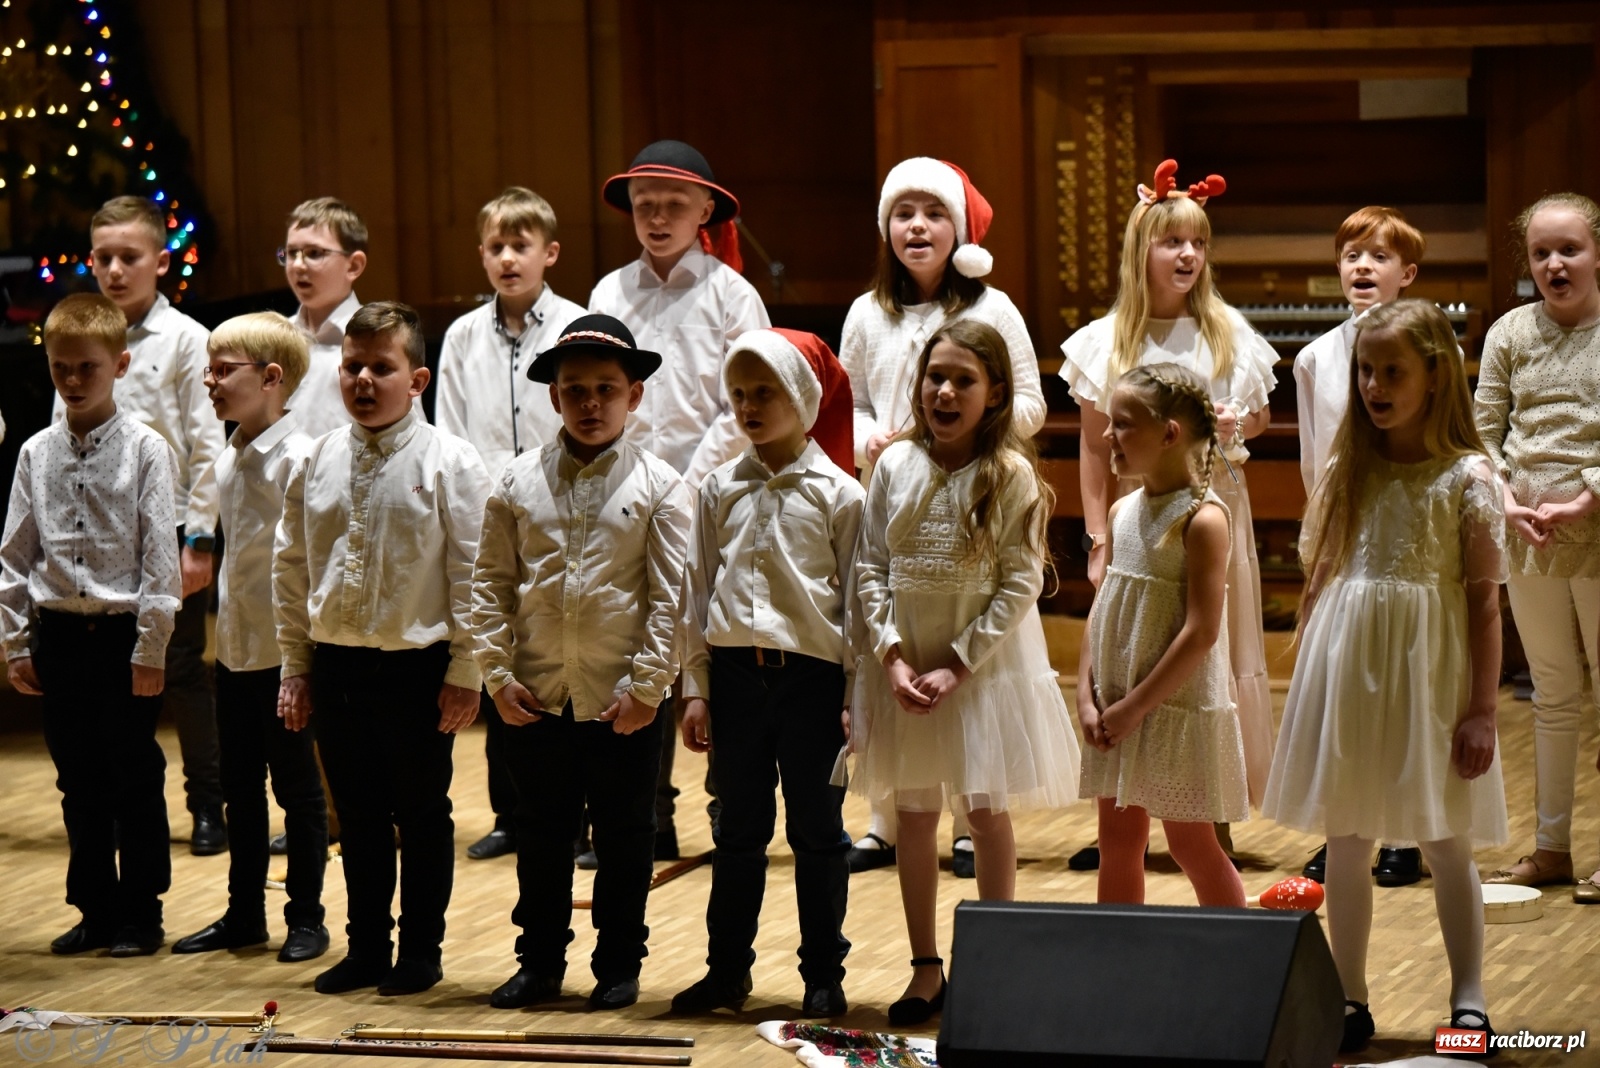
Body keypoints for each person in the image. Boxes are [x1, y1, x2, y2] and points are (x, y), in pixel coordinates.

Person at [1264, 299, 1508, 1053]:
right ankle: (1349, 997)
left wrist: (1480, 711)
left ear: (1435, 377)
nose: (1373, 383)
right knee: (1348, 835)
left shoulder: (1467, 476)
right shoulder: (1352, 465)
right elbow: (1325, 568)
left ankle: (1468, 999)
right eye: (1366, 369)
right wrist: (1310, 662)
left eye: (1392, 370)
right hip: (1351, 664)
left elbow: (1483, 606)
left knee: (1443, 836)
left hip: (1428, 671)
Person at [852, 319, 1079, 1026]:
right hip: (907, 663)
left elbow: (1018, 584)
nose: (945, 391)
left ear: (996, 394)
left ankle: (994, 960)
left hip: (978, 669)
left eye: (964, 380)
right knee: (914, 816)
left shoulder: (1010, 476)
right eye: (935, 377)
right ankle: (927, 968)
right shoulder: (893, 465)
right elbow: (870, 568)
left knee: (983, 813)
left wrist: (957, 664)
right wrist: (891, 657)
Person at [1059, 160, 1276, 866]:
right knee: (1132, 646)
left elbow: (1262, 419)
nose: (1187, 256)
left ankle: (1210, 813)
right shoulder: (1108, 339)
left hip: (1211, 510)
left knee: (1212, 647)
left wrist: (1233, 423)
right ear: (1141, 249)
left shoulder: (1225, 331)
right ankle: (1125, 804)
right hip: (1134, 515)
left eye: (1199, 244)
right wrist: (1096, 535)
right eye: (1172, 242)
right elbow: (1097, 450)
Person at [472, 314, 691, 1011]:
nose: (591, 404)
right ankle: (538, 964)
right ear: (553, 398)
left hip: (622, 700)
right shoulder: (514, 482)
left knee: (627, 840)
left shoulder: (659, 485)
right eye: (575, 391)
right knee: (540, 838)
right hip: (536, 696)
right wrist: (496, 678)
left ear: (636, 396)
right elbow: (488, 586)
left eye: (606, 389)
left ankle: (618, 965)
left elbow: (670, 598)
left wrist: (649, 688)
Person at [273, 302, 491, 996]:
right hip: (337, 664)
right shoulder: (316, 458)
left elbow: (475, 575)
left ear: (417, 378)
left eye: (382, 367)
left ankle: (420, 952)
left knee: (422, 815)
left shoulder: (451, 462)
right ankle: (367, 947)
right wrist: (297, 666)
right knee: (358, 817)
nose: (364, 380)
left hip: (417, 667)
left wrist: (466, 672)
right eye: (352, 366)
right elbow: (292, 568)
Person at [838, 156, 1047, 878]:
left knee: (962, 661)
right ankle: (887, 820)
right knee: (895, 644)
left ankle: (970, 823)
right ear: (886, 228)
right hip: (895, 488)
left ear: (958, 229)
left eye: (932, 213)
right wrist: (873, 436)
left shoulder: (991, 310)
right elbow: (852, 397)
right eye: (903, 213)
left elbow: (1030, 404)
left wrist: (956, 434)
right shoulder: (868, 312)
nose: (916, 226)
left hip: (971, 498)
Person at [671, 329, 862, 1017]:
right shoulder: (719, 488)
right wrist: (696, 690)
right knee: (737, 832)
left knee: (817, 832)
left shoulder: (840, 495)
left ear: (804, 401)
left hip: (811, 682)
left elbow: (860, 605)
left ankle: (823, 975)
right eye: (740, 395)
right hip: (734, 680)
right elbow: (695, 594)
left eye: (767, 393)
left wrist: (853, 696)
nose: (750, 406)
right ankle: (727, 974)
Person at [590, 139, 770, 861]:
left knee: (717, 653)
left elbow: (747, 400)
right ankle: (646, 813)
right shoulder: (609, 294)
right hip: (627, 497)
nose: (657, 217)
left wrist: (690, 482)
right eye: (644, 205)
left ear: (705, 210)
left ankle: (730, 806)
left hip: (714, 497)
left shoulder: (732, 294)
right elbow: (598, 390)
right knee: (636, 650)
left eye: (672, 204)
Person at [1, 293, 181, 957]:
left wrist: (151, 647)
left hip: (121, 639)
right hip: (58, 635)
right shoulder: (34, 453)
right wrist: (16, 643)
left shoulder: (146, 452)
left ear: (121, 364)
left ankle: (142, 912)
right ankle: (94, 908)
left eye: (87, 368)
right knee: (77, 781)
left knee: (133, 777)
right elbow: (15, 556)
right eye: (60, 368)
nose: (73, 382)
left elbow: (161, 556)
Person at [70, 195, 227, 854]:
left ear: (160, 262)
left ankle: (208, 806)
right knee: (109, 677)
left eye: (128, 257)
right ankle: (127, 812)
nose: (114, 270)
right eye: (103, 257)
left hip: (168, 535)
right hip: (96, 543)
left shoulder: (188, 340)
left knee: (183, 667)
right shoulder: (82, 337)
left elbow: (207, 446)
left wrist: (195, 541)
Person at [436, 186, 586, 863]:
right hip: (493, 515)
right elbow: (454, 431)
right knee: (502, 658)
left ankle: (576, 812)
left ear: (549, 253)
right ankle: (510, 810)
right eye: (495, 247)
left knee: (566, 657)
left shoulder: (578, 325)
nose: (507, 258)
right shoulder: (463, 336)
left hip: (563, 512)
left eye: (520, 246)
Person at [172, 313, 329, 963]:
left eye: (222, 370)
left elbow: (312, 566)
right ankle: (244, 914)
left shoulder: (302, 460)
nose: (209, 381)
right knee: (241, 787)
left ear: (271, 379)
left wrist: (304, 662)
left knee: (298, 791)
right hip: (236, 652)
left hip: (285, 655)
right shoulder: (232, 454)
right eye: (207, 368)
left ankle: (307, 918)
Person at [1078, 363, 1248, 910]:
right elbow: (1101, 610)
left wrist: (1135, 707)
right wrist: (1087, 696)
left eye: (1122, 424)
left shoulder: (1203, 519)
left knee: (1191, 843)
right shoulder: (1123, 509)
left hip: (1171, 708)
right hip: (1116, 705)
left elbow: (1201, 633)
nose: (1108, 436)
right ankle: (1117, 964)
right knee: (1118, 841)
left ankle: (1239, 959)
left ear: (1169, 433)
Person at [1292, 206, 1427, 887]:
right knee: (1340, 693)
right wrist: (1321, 544)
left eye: (1377, 256)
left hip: (1405, 534)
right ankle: (1343, 828)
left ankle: (1405, 834)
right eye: (1351, 255)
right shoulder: (1317, 358)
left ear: (1407, 274)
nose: (1362, 267)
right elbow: (1317, 464)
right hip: (1343, 537)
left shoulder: (1427, 351)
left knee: (1403, 687)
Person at [1473, 192, 1600, 905]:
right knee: (1551, 693)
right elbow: (1483, 430)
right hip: (1529, 536)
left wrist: (1588, 496)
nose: (1555, 264)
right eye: (1541, 253)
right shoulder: (1510, 332)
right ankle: (1552, 847)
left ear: (1597, 254)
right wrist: (1503, 497)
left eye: (1570, 250)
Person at [281, 197, 378, 439]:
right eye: (292, 253)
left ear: (354, 265)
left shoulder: (379, 340)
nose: (298, 265)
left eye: (314, 253)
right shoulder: (277, 338)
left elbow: (407, 435)